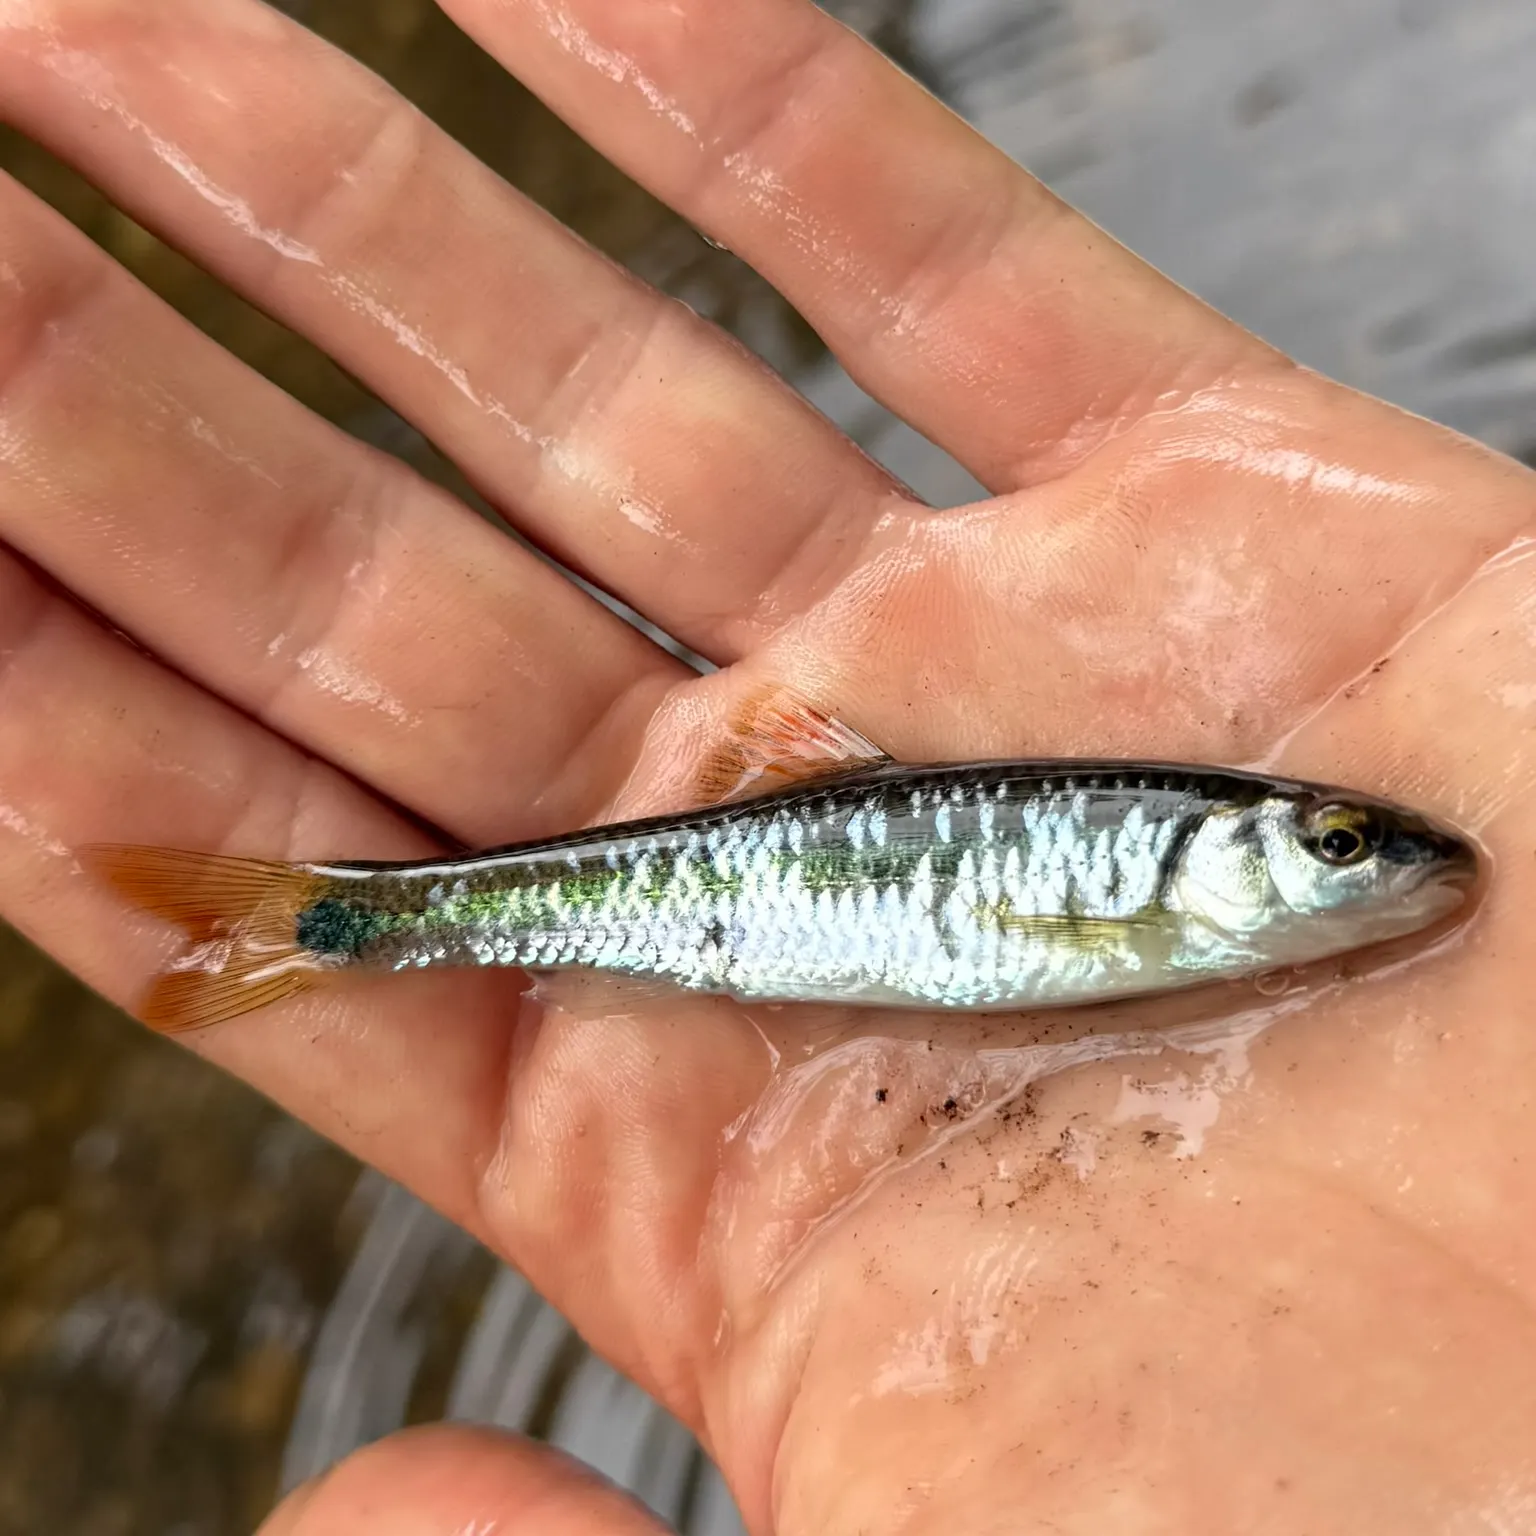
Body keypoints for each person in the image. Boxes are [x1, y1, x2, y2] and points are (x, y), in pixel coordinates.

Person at [1, 0, 1533, 1530]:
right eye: (1337, 839)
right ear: (1218, 860)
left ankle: (329, 921)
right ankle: (332, 918)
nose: (1379, 865)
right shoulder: (1162, 909)